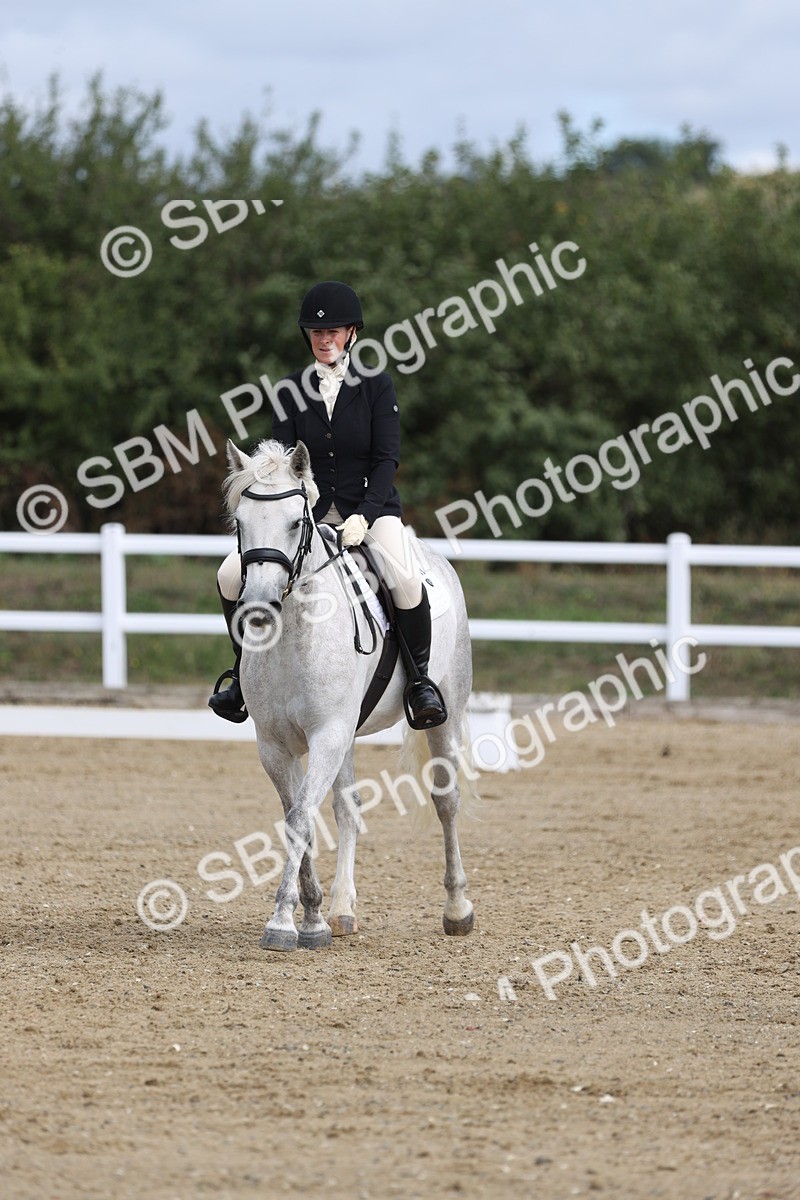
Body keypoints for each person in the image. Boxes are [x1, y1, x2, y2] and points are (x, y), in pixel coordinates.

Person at [208, 280, 448, 730]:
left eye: (333, 331)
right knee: (229, 574)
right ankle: (242, 675)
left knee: (404, 577)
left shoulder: (377, 385)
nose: (324, 339)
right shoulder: (289, 389)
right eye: (317, 333)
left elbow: (386, 459)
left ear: (351, 333)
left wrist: (365, 515)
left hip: (371, 509)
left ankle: (420, 682)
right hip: (306, 516)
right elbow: (283, 461)